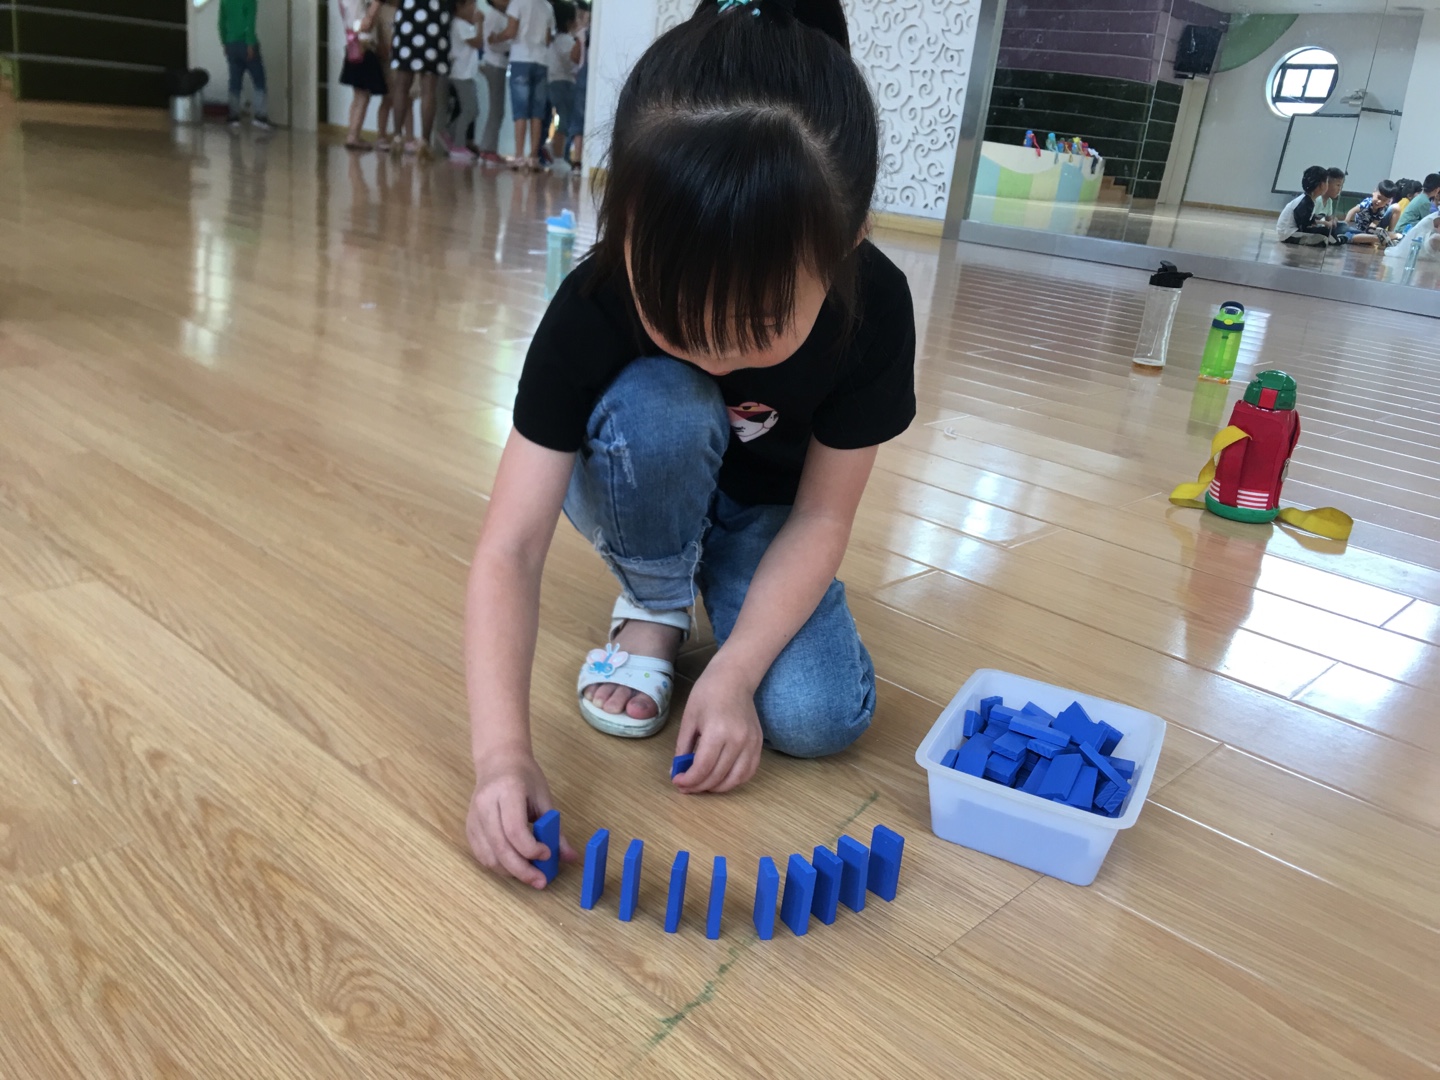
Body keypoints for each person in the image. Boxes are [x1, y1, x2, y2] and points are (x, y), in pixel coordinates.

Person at [464, 0, 915, 887]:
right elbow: (509, 547)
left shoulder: (876, 306)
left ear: (849, 239)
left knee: (819, 716)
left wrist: (737, 670)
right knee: (670, 399)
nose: (711, 353)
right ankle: (658, 599)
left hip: (764, 516)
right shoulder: (594, 299)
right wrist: (500, 758)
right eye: (673, 312)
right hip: (640, 475)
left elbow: (822, 518)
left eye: (754, 324)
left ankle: (717, 597)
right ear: (621, 222)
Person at [388, 0, 453, 157]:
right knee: (429, 89)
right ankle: (424, 142)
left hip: (409, 15)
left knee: (402, 84)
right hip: (435, 17)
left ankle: (397, 137)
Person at [498, 0, 554, 170]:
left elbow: (511, 31)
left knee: (520, 111)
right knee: (537, 112)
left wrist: (494, 38)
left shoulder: (517, 3)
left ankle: (519, 156)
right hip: (541, 61)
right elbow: (548, 38)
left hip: (521, 58)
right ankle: (533, 157)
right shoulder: (547, 6)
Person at [433, 0, 484, 162]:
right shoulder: (460, 24)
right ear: (459, 7)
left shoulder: (462, 24)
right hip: (461, 75)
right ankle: (458, 144)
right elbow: (478, 43)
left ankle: (449, 133)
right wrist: (480, 24)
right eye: (471, 5)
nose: (474, 9)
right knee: (470, 110)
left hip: (465, 73)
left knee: (471, 110)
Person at [339, 0, 388, 150]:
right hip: (364, 45)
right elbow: (366, 24)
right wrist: (377, 5)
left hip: (353, 44)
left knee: (357, 94)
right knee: (363, 95)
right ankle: (354, 135)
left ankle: (352, 133)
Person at [219, 0, 270, 129]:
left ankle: (233, 117)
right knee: (259, 80)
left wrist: (224, 41)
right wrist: (250, 42)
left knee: (234, 82)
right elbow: (249, 22)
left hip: (231, 44)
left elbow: (221, 22)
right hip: (246, 44)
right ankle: (260, 117)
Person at [475, 0, 514, 166]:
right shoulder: (494, 16)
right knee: (496, 109)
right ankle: (488, 148)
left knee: (497, 109)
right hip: (494, 65)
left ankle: (489, 147)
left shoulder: (501, 16)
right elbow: (491, 43)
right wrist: (512, 45)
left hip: (499, 65)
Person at [546, 2, 579, 166]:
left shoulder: (554, 40)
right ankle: (559, 157)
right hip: (564, 83)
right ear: (569, 22)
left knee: (560, 119)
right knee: (565, 121)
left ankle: (556, 152)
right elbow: (572, 61)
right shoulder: (566, 41)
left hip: (553, 81)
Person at [1276, 165, 1342, 246]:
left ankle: (1327, 240)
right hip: (1289, 234)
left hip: (1293, 232)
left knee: (1324, 233)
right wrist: (1318, 227)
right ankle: (1337, 241)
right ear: (1321, 185)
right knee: (1325, 232)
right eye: (1327, 182)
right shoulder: (1305, 202)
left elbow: (1309, 220)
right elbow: (1303, 226)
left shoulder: (1310, 200)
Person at [566, 1, 589, 167]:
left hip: (582, 77)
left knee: (578, 119)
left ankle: (577, 157)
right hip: (593, 77)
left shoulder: (582, 34)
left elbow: (574, 56)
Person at [1344, 180, 1400, 246]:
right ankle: (1385, 237)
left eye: (1384, 200)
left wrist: (1373, 230)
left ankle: (1389, 235)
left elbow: (1374, 223)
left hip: (1372, 229)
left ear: (1389, 201)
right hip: (1360, 229)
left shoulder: (1383, 208)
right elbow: (1351, 211)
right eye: (1378, 197)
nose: (1379, 202)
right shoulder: (1366, 203)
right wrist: (1345, 223)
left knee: (1397, 207)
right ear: (1374, 192)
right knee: (1349, 234)